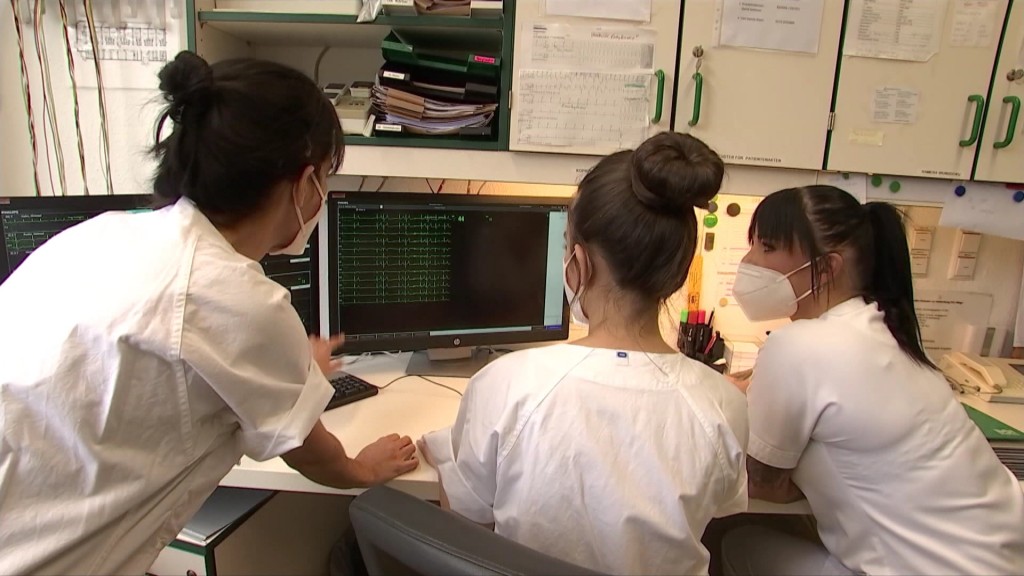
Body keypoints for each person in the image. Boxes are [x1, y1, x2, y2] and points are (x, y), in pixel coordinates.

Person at [0, 52, 418, 575]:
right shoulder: (237, 300)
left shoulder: (104, 234)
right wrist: (361, 468)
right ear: (303, 181)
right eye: (327, 177)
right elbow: (311, 454)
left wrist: (290, 364)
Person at [418, 132, 749, 575]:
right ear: (677, 272)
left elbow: (467, 525)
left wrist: (446, 456)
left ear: (580, 264)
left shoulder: (506, 384)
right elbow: (718, 506)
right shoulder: (723, 404)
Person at [722, 185, 1024, 575]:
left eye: (766, 246)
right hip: (1001, 559)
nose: (750, 261)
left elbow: (763, 482)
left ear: (827, 267)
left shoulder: (798, 345)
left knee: (738, 541)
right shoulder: (891, 335)